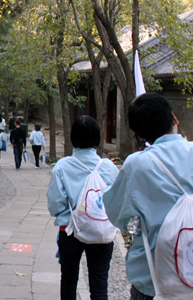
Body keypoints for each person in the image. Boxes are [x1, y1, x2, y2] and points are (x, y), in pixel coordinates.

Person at [103, 93, 193, 300]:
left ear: (139, 134)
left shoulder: (137, 165)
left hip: (154, 282)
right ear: (174, 118)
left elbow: (116, 215)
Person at [47, 116, 119, 300]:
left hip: (70, 231)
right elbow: (118, 200)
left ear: (73, 137)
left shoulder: (62, 167)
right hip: (101, 230)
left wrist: (67, 215)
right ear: (97, 138)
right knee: (100, 285)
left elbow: (55, 204)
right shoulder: (109, 167)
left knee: (69, 281)